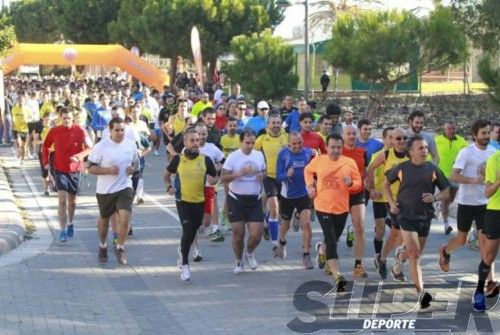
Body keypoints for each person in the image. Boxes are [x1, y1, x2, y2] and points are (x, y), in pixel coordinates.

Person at [384, 135, 449, 309]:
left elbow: (447, 191)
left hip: (425, 217)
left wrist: (434, 197)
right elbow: (385, 185)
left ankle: (399, 257)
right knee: (415, 255)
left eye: (426, 148)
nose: (425, 151)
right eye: (420, 148)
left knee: (412, 253)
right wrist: (391, 204)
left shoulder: (433, 169)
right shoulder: (401, 168)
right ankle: (421, 293)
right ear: (411, 152)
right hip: (405, 215)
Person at [439, 120, 498, 297]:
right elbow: (453, 176)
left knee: (485, 244)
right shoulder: (466, 152)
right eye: (483, 133)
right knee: (462, 240)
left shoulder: (494, 153)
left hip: (485, 205)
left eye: (488, 133)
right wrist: (474, 180)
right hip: (466, 203)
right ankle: (445, 251)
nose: (486, 136)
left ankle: (490, 282)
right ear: (475, 135)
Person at [304, 133, 362, 291]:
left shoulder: (349, 162)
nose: (335, 150)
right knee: (331, 238)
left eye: (338, 147)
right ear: (327, 147)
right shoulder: (319, 160)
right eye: (332, 147)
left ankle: (322, 250)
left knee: (333, 239)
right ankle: (338, 276)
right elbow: (307, 171)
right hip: (322, 205)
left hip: (342, 207)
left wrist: (351, 183)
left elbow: (358, 183)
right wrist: (310, 186)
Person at [164, 127, 218, 281]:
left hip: (199, 201)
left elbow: (214, 177)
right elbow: (166, 175)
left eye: (197, 140)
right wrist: (169, 187)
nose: (196, 143)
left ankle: (182, 251)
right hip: (183, 201)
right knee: (187, 230)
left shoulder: (205, 159)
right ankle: (185, 265)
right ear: (185, 142)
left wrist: (214, 180)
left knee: (193, 232)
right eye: (192, 140)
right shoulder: (178, 159)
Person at [88, 117, 139, 265]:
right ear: (110, 130)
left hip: (125, 187)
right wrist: (108, 170)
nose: (120, 133)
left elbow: (136, 162)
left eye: (122, 130)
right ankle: (102, 245)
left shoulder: (130, 144)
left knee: (125, 217)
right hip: (106, 190)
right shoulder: (101, 146)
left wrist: (133, 168)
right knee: (104, 221)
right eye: (117, 130)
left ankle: (121, 247)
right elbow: (90, 168)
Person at [42, 107, 93, 242]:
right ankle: (63, 230)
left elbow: (90, 147)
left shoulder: (80, 130)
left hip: (75, 170)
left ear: (73, 118)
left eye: (69, 118)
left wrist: (79, 156)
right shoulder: (54, 131)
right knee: (62, 200)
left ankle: (70, 223)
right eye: (64, 118)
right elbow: (45, 146)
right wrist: (46, 161)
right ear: (60, 118)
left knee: (72, 202)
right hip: (59, 170)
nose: (66, 120)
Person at [220, 129, 266, 274]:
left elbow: (265, 171)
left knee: (256, 234)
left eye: (253, 143)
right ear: (241, 142)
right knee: (238, 234)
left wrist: (261, 175)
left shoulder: (258, 155)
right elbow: (222, 178)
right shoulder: (233, 157)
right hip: (236, 200)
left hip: (255, 199)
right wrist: (237, 174)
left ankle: (250, 253)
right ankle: (238, 261)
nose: (250, 145)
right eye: (247, 143)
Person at [365, 127, 408, 280]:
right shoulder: (380, 155)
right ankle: (379, 257)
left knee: (400, 234)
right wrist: (371, 189)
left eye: (404, 138)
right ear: (386, 139)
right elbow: (369, 171)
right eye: (393, 138)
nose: (399, 141)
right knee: (381, 229)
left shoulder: (410, 155)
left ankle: (395, 264)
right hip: (380, 197)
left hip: (399, 200)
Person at [275, 132, 316, 269]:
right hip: (288, 196)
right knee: (285, 225)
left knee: (306, 224)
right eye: (294, 144)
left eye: (300, 142)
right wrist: (286, 175)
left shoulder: (308, 152)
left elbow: (317, 160)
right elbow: (278, 177)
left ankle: (306, 255)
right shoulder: (283, 154)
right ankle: (282, 241)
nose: (298, 146)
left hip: (304, 194)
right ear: (289, 144)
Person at [255, 113, 288, 249]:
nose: (276, 125)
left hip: (284, 178)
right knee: (274, 209)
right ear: (267, 125)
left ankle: (266, 223)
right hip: (269, 177)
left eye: (278, 122)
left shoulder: (286, 137)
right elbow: (253, 154)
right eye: (273, 123)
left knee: (278, 210)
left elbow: (297, 150)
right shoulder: (262, 139)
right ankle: (275, 243)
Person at [472, 149, 500, 312]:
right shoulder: (494, 160)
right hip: (496, 211)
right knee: (489, 256)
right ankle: (479, 290)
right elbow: (488, 192)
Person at [340, 125, 368, 277]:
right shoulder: (338, 151)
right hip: (339, 195)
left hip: (357, 193)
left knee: (360, 228)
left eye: (353, 133)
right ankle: (326, 252)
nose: (351, 136)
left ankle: (358, 265)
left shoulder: (362, 152)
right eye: (348, 133)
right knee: (335, 231)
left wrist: (369, 184)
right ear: (343, 136)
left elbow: (367, 171)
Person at [434, 121, 468, 234]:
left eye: (453, 128)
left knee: (451, 199)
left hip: (455, 175)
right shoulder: (437, 140)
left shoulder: (462, 141)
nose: (451, 130)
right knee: (446, 198)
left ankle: (439, 205)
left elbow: (467, 155)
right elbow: (430, 155)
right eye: (449, 128)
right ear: (444, 129)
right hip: (441, 174)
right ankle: (446, 224)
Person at [11, 95, 30, 164]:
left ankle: (22, 160)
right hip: (16, 128)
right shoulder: (14, 108)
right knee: (19, 143)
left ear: (24, 101)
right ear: (17, 101)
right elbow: (13, 117)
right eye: (19, 100)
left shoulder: (27, 109)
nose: (21, 102)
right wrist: (13, 123)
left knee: (23, 147)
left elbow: (31, 118)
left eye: (22, 101)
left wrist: (27, 120)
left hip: (24, 129)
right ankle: (18, 150)